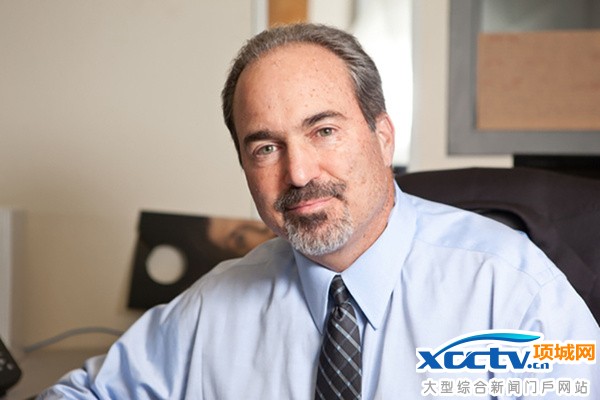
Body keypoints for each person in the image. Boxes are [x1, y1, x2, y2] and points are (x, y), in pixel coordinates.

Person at [39, 23, 599, 399]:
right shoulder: (213, 308)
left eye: (324, 130)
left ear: (382, 137)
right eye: (266, 147)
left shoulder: (513, 294)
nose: (299, 173)